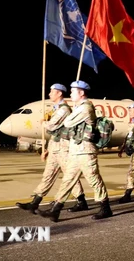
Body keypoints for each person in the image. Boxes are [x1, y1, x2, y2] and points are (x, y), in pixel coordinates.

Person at [38, 80, 112, 222]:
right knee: (68, 180)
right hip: (75, 150)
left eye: (73, 92)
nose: (70, 94)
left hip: (86, 151)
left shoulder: (85, 108)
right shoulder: (79, 107)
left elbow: (67, 122)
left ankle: (105, 207)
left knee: (93, 179)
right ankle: (56, 210)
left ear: (81, 93)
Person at [16, 83, 87, 214]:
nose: (49, 94)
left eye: (52, 92)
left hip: (64, 149)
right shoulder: (56, 109)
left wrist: (43, 122)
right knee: (47, 175)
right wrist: (47, 149)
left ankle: (81, 201)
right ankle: (35, 202)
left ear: (59, 93)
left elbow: (52, 126)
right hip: (55, 148)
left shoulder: (64, 109)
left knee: (69, 176)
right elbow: (55, 133)